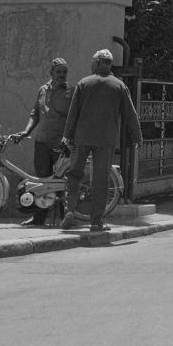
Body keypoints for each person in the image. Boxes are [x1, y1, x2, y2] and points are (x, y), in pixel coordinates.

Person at [59, 49, 142, 232]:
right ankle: (96, 222)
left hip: (82, 137)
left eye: (92, 62)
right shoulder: (119, 86)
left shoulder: (84, 83)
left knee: (74, 175)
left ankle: (70, 211)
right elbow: (130, 114)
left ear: (97, 63)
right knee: (101, 180)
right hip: (105, 140)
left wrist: (67, 136)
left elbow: (73, 113)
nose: (91, 65)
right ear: (108, 64)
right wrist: (137, 137)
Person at [12, 57, 72, 226]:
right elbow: (34, 114)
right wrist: (25, 132)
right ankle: (39, 218)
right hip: (42, 142)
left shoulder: (71, 92)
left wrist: (68, 139)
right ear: (51, 73)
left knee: (60, 182)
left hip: (61, 145)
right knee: (42, 181)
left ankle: (65, 218)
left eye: (64, 72)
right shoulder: (42, 90)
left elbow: (74, 118)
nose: (62, 75)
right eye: (58, 72)